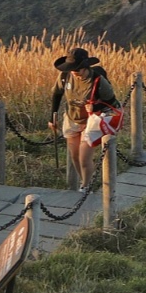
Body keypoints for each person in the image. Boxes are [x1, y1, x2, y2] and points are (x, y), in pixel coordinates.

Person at [49, 47, 117, 191]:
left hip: (91, 122)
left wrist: (96, 107)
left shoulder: (98, 81)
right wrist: (52, 117)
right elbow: (56, 94)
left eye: (77, 69)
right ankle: (85, 181)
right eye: (72, 69)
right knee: (74, 156)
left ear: (86, 67)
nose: (74, 72)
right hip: (72, 118)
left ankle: (86, 187)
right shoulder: (64, 76)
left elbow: (113, 103)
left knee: (84, 158)